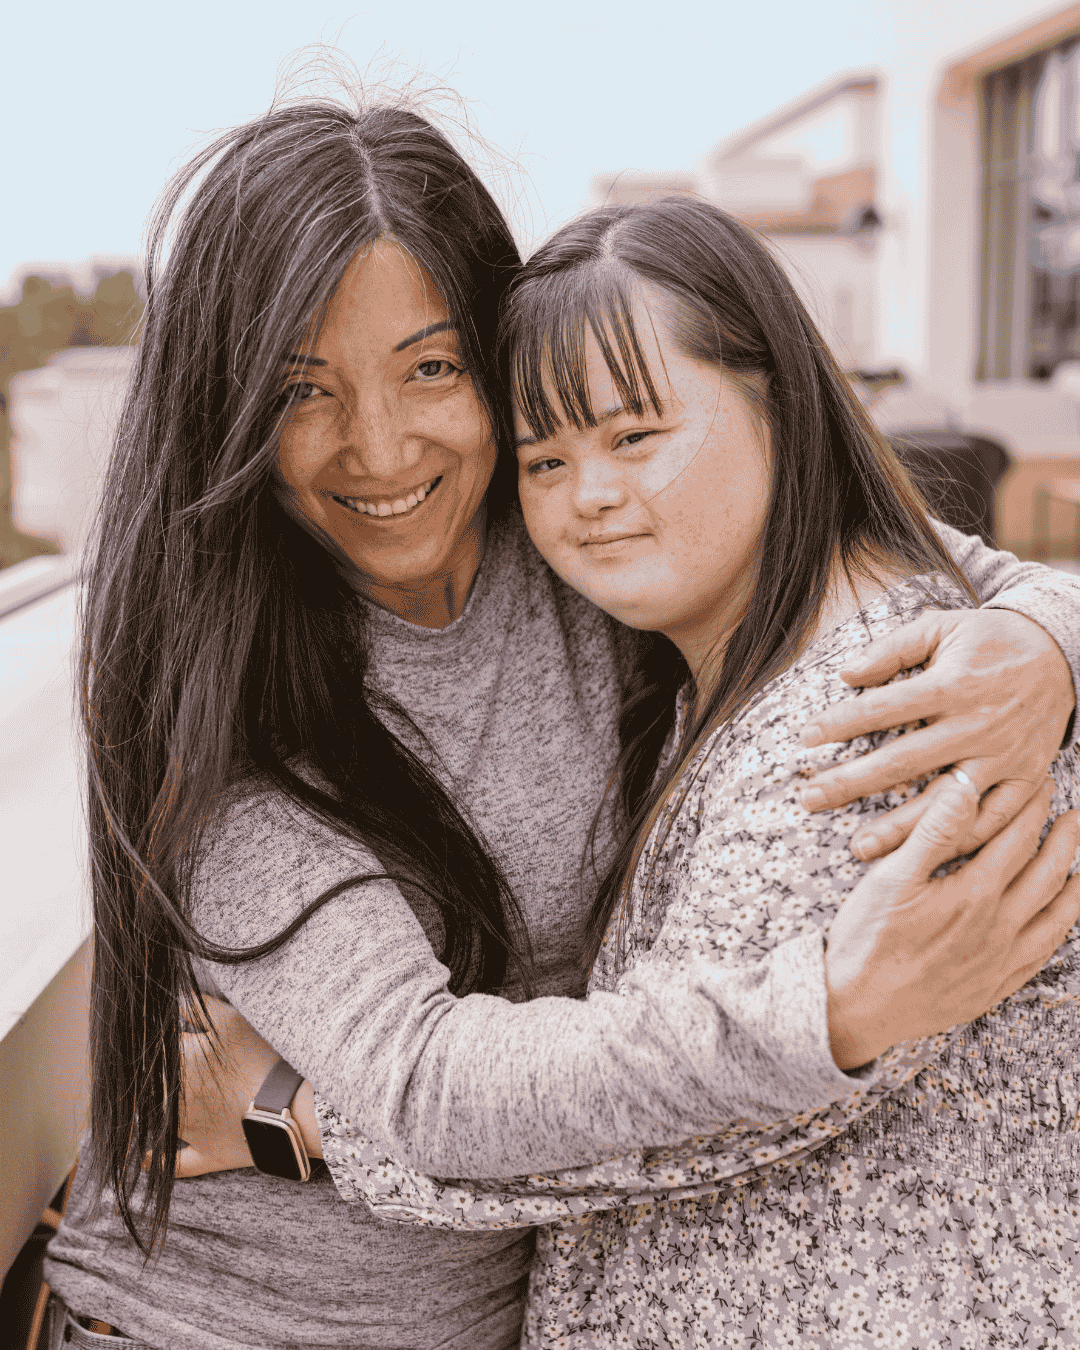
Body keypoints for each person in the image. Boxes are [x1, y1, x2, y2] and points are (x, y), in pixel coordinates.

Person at [41, 95, 1080, 1350]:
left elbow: (902, 550)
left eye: (432, 368)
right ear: (228, 411)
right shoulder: (224, 699)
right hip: (206, 1327)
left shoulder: (576, 533)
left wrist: (1045, 641)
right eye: (302, 391)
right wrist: (831, 1009)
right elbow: (431, 1082)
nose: (381, 448)